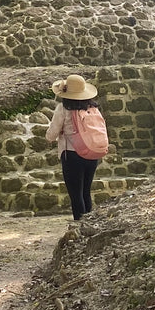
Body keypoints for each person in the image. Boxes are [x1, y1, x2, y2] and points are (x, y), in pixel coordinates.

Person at [45, 73, 105, 221]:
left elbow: (51, 134)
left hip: (72, 155)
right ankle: (89, 223)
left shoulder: (63, 109)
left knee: (75, 194)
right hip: (92, 153)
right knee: (86, 191)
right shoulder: (93, 108)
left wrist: (49, 137)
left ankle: (79, 226)